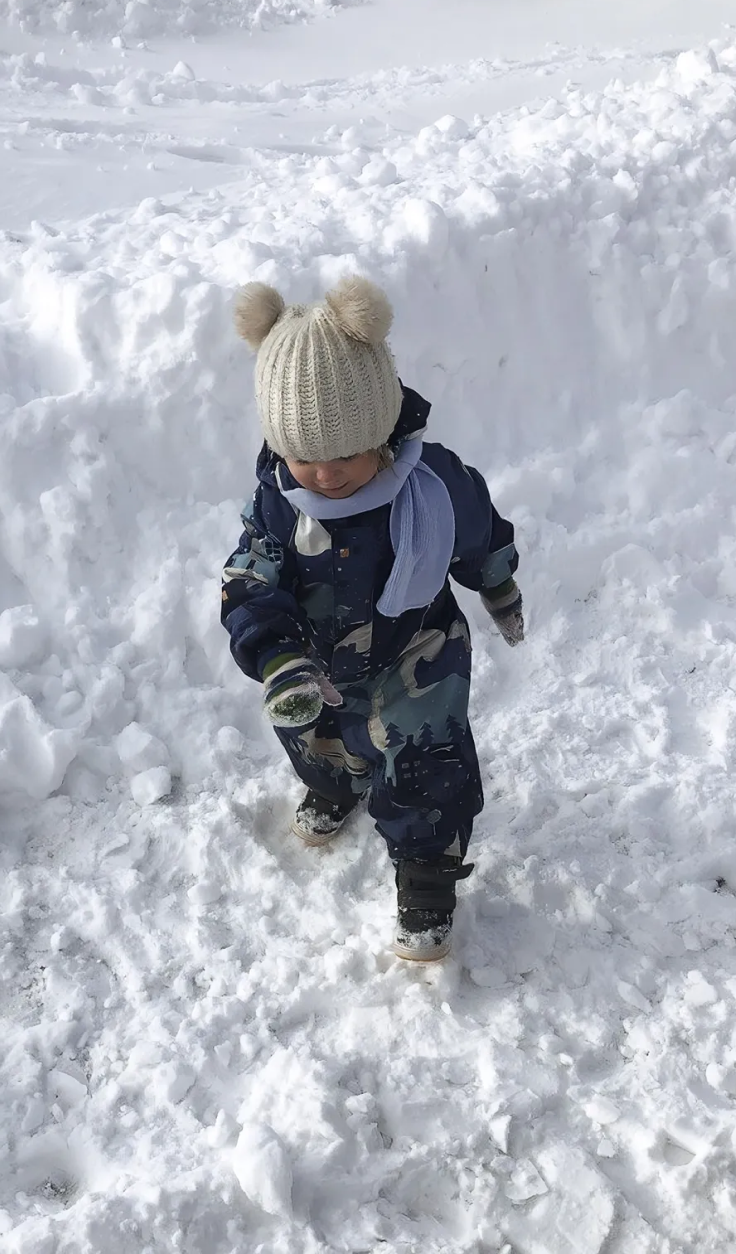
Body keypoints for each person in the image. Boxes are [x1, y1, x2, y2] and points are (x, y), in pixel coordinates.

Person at [220, 275, 524, 961]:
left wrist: (498, 585)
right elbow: (250, 577)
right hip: (316, 663)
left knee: (429, 764)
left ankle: (427, 880)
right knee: (317, 741)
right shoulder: (279, 501)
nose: (324, 475)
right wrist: (276, 655)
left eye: (345, 455)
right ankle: (334, 786)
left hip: (419, 646)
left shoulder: (433, 483)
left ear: (381, 429)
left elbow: (479, 533)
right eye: (304, 456)